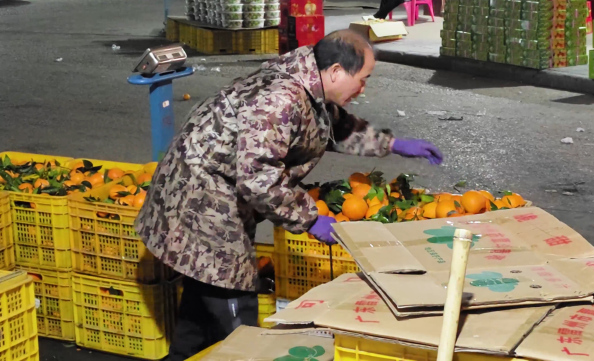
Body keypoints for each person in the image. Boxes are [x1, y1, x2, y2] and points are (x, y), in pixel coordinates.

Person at [134, 29, 443, 360]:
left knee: (203, 299)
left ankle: (182, 355)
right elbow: (258, 177)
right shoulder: (280, 99)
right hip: (201, 197)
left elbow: (334, 126)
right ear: (337, 71)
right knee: (238, 316)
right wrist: (308, 218)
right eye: (363, 79)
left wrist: (392, 144)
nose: (363, 88)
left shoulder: (313, 83)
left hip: (217, 195)